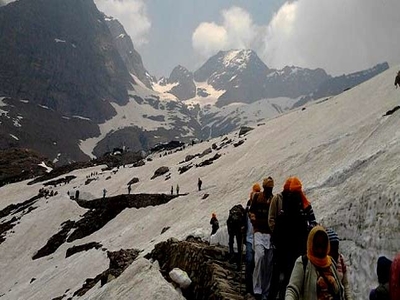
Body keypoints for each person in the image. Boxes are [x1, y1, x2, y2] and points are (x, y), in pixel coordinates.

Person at [268, 176, 317, 300]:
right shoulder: (300, 204)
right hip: (296, 250)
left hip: (285, 249)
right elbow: (311, 222)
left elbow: (277, 226)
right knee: (292, 278)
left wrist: (276, 242)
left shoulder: (288, 206)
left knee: (282, 277)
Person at [285, 225, 345, 300]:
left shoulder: (331, 262)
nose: (320, 250)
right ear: (311, 244)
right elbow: (292, 290)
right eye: (317, 246)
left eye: (323, 246)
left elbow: (340, 290)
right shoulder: (303, 263)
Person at [249, 177, 275, 300]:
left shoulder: (273, 200)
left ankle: (266, 290)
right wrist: (255, 222)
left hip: (269, 234)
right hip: (258, 231)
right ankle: (257, 289)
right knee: (259, 257)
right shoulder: (257, 198)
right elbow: (251, 212)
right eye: (268, 188)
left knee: (268, 262)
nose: (269, 190)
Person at [326, 228, 353, 300]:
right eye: (333, 247)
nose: (335, 250)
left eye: (336, 246)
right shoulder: (323, 263)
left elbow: (345, 284)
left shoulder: (341, 259)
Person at [245, 182, 261, 295]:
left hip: (257, 237)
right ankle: (250, 286)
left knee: (255, 262)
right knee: (251, 261)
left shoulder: (261, 204)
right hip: (251, 237)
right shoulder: (249, 206)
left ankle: (254, 286)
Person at [227, 203, 246, 270]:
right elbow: (244, 221)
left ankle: (231, 255)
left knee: (231, 242)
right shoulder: (242, 212)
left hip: (231, 228)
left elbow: (228, 221)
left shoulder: (232, 212)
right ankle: (239, 264)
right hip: (239, 229)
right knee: (239, 246)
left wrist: (230, 233)